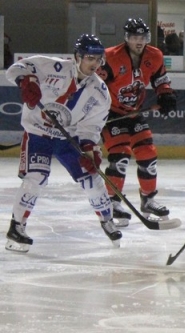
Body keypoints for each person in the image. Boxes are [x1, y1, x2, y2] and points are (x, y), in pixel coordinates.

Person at [4, 34, 122, 252]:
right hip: (37, 133)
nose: (95, 64)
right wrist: (26, 81)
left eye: (98, 59)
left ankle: (107, 220)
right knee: (35, 178)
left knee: (91, 178)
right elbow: (15, 69)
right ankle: (16, 228)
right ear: (77, 57)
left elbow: (91, 127)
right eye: (89, 58)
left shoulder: (100, 92)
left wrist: (90, 149)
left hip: (68, 137)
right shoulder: (51, 66)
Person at [97, 18, 178, 227]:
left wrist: (165, 94)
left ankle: (148, 198)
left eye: (142, 37)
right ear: (127, 38)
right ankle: (112, 202)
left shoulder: (155, 55)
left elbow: (161, 79)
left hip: (133, 113)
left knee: (147, 152)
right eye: (134, 37)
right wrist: (93, 116)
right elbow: (93, 86)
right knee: (120, 156)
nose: (139, 41)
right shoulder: (110, 57)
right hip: (110, 113)